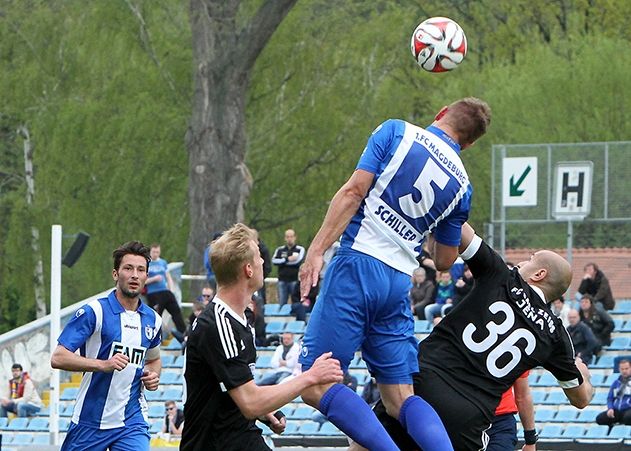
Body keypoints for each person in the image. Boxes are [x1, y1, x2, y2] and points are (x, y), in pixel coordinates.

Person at [298, 98, 492, 451]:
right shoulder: (462, 185)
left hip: (357, 265)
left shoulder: (396, 132)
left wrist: (316, 250)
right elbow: (445, 260)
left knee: (314, 383)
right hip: (398, 281)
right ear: (469, 144)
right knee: (400, 398)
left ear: (441, 113)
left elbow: (354, 192)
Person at [358, 222, 593, 451]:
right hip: (466, 416)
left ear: (540, 274)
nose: (522, 262)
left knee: (367, 445)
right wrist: (582, 374)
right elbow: (581, 399)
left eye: (530, 259)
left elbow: (460, 227)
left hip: (421, 384)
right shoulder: (555, 335)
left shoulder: (503, 277)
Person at [180, 223, 343, 451]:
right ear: (248, 269)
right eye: (258, 256)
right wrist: (311, 377)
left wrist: (267, 412)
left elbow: (230, 385)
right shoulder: (218, 324)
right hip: (216, 444)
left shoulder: (243, 316)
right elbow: (250, 403)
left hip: (240, 438)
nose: (263, 262)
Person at [50, 241, 162, 451]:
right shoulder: (94, 312)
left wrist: (153, 376)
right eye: (128, 268)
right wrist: (103, 364)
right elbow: (58, 357)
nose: (134, 275)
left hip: (132, 422)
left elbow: (154, 359)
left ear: (146, 276)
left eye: (140, 270)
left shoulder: (153, 320)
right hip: (89, 421)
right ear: (115, 274)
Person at [486, 372, 536, 451]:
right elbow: (522, 396)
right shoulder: (516, 359)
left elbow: (522, 397)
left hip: (498, 421)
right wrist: (530, 440)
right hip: (500, 422)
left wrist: (530, 440)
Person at [145, 243, 187, 337]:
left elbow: (168, 277)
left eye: (158, 252)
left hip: (165, 291)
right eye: (154, 252)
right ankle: (155, 337)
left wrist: (171, 289)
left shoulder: (163, 262)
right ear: (150, 252)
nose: (156, 254)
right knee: (156, 316)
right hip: (153, 293)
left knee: (176, 311)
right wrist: (154, 279)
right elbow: (143, 281)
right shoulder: (147, 263)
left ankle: (184, 334)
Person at [272, 228, 305, 306]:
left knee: (296, 302)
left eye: (291, 236)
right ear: (285, 238)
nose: (289, 239)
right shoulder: (279, 250)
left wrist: (282, 262)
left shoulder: (300, 249)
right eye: (287, 237)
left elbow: (297, 261)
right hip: (282, 280)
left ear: (295, 237)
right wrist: (287, 259)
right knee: (282, 303)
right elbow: (274, 261)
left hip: (294, 280)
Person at [596, 358, 631, 429]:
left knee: (628, 417)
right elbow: (610, 398)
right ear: (619, 369)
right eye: (622, 369)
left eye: (626, 368)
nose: (624, 371)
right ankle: (611, 429)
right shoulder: (616, 383)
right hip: (617, 410)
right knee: (600, 418)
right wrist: (610, 408)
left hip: (629, 409)